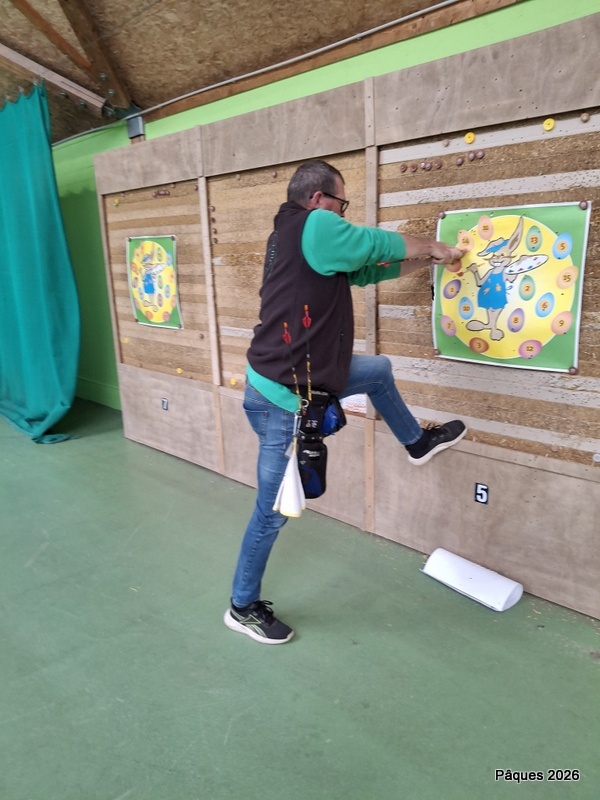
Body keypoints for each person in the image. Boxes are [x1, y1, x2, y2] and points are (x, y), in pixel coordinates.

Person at [224, 160, 467, 645]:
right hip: (282, 396)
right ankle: (242, 606)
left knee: (376, 371)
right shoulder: (315, 225)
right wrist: (434, 245)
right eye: (341, 204)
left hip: (291, 374)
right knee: (272, 511)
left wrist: (427, 263)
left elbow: (366, 271)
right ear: (318, 199)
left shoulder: (294, 238)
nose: (342, 213)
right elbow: (374, 244)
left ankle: (416, 442)